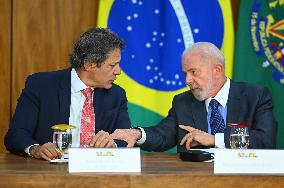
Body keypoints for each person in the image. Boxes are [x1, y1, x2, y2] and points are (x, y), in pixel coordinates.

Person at [111, 42, 277, 151]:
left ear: (217, 70)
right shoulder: (183, 101)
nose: (187, 80)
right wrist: (137, 134)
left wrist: (213, 139)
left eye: (194, 72)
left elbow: (265, 140)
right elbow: (163, 135)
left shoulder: (255, 96)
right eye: (185, 73)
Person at [4, 28, 131, 160]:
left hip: (97, 172)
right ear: (89, 65)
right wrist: (36, 149)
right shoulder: (41, 86)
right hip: (49, 174)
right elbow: (16, 135)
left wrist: (113, 145)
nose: (118, 71)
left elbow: (126, 137)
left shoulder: (116, 95)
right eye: (112, 65)